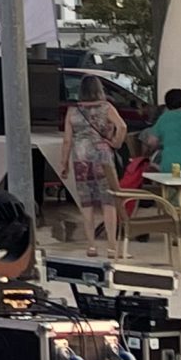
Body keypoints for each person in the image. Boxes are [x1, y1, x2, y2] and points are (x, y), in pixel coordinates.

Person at [64, 75, 129, 249]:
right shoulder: (106, 108)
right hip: (103, 157)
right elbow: (122, 126)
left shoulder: (72, 111)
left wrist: (63, 163)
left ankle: (91, 245)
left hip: (81, 157)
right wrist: (116, 143)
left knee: (86, 202)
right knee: (108, 201)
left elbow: (67, 140)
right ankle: (112, 245)